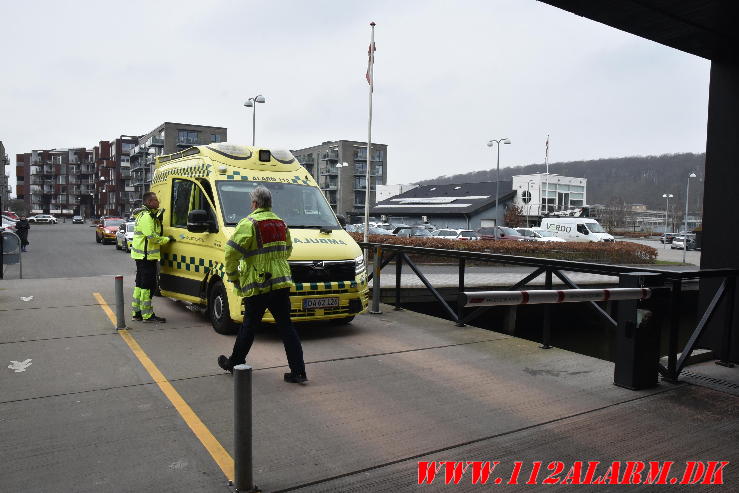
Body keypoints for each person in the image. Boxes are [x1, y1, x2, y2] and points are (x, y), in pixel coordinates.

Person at [217, 186, 307, 383]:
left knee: (249, 326)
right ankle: (298, 371)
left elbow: (231, 253)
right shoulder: (281, 223)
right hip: (281, 282)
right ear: (270, 203)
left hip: (258, 284)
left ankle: (235, 363)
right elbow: (287, 250)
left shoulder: (248, 223)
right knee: (286, 327)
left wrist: (234, 277)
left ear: (255, 204)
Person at [130, 192, 174, 323]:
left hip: (141, 256)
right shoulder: (147, 217)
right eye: (156, 200)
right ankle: (147, 315)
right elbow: (152, 236)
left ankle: (137, 312)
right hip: (146, 256)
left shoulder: (143, 215)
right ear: (149, 202)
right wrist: (166, 239)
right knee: (148, 285)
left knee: (140, 284)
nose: (158, 203)